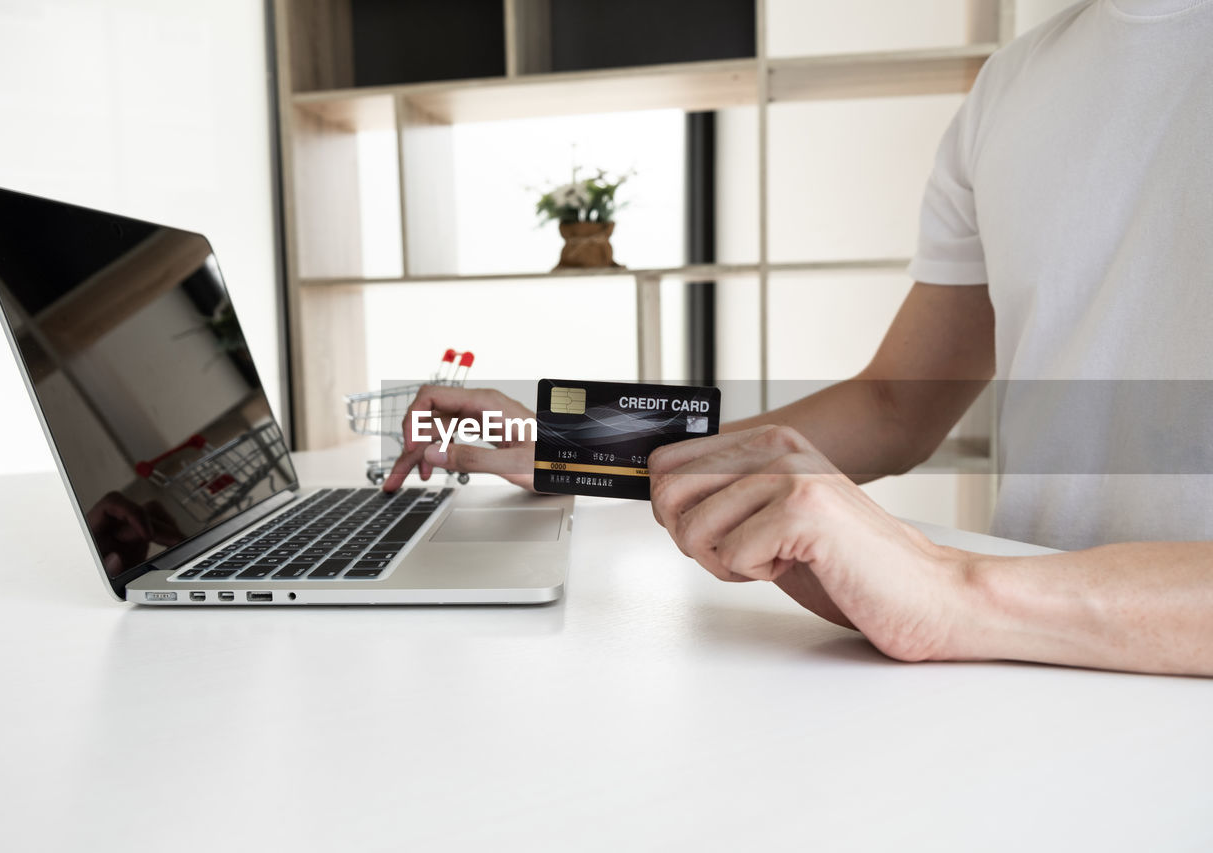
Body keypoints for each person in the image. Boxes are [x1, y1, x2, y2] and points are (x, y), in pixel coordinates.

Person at [383, 0, 1213, 676]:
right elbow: (894, 403)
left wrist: (951, 587)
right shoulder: (1017, 83)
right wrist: (576, 443)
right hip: (1032, 670)